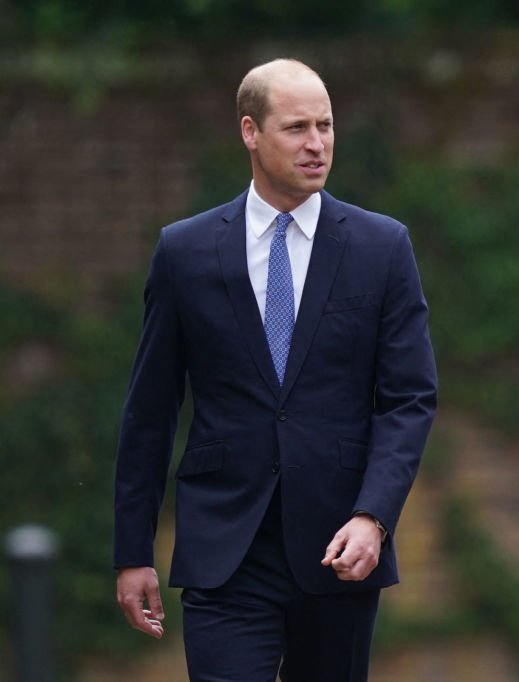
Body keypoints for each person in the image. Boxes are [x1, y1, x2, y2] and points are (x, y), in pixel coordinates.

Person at [113, 58, 437, 681]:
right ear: (249, 132)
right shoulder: (185, 252)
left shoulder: (381, 247)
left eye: (326, 125)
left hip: (338, 548)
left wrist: (374, 517)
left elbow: (409, 400)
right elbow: (150, 411)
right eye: (296, 128)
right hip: (225, 549)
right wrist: (133, 552)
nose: (317, 144)